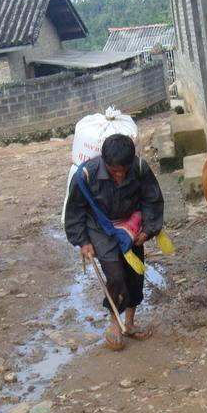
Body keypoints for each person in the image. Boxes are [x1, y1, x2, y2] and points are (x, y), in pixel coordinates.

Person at [64, 133, 165, 351]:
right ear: (104, 162)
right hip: (99, 226)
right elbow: (75, 210)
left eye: (123, 170)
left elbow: (152, 199)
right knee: (116, 275)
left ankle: (129, 323)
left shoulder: (140, 169)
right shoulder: (85, 175)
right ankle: (114, 323)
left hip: (130, 224)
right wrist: (83, 241)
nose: (119, 175)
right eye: (114, 171)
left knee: (135, 273)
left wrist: (147, 231)